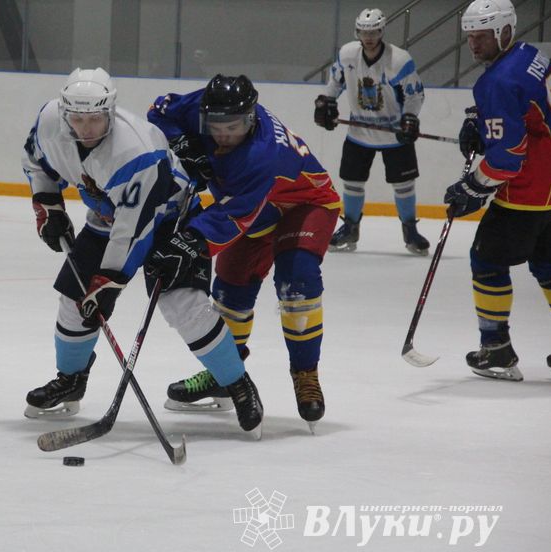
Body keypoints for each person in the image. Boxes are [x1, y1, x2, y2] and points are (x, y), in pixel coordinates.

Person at [21, 67, 263, 434]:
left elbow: (134, 230)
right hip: (107, 217)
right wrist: (47, 203)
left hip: (170, 218)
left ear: (111, 111)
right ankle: (71, 379)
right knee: (74, 300)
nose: (86, 128)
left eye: (95, 118)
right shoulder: (50, 121)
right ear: (65, 112)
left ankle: (237, 384)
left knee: (183, 305)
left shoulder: (136, 152)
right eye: (78, 118)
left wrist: (111, 281)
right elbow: (36, 162)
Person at [147, 74, 342, 432]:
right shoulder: (205, 104)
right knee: (231, 286)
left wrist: (190, 242)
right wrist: (182, 142)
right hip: (253, 205)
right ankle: (225, 372)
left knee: (296, 281)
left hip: (305, 203)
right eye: (214, 126)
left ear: (250, 119)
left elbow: (231, 218)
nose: (222, 134)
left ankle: (305, 373)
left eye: (232, 127)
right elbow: (160, 112)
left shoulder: (261, 154)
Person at [444, 0, 551, 381]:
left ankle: (497, 350)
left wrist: (472, 186)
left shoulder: (496, 82)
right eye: (470, 37)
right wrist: (480, 117)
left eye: (482, 36)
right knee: (548, 265)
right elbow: (527, 109)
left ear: (504, 31)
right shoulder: (529, 54)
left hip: (530, 191)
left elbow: (508, 158)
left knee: (487, 260)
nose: (474, 45)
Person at [314, 8, 429, 255]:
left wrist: (410, 117)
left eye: (374, 31)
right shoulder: (347, 55)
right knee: (352, 182)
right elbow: (335, 82)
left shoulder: (399, 59)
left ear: (382, 31)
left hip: (394, 134)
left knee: (404, 184)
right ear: (357, 32)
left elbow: (415, 93)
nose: (369, 37)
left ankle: (410, 230)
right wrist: (326, 101)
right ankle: (351, 228)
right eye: (364, 32)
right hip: (359, 133)